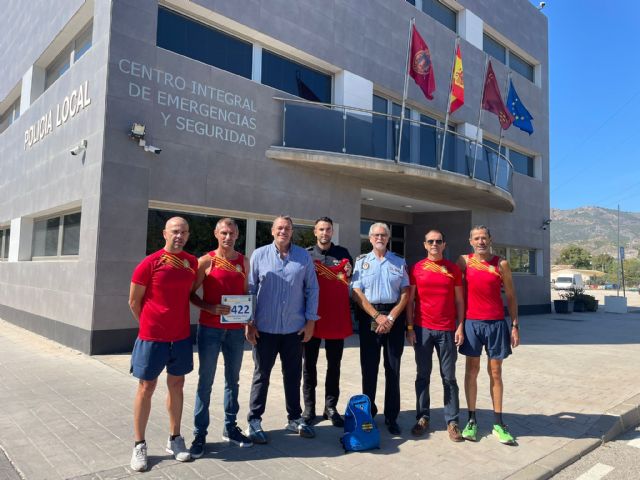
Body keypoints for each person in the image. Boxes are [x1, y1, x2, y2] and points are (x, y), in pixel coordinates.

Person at [128, 217, 197, 472]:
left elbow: (190, 294)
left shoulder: (191, 262)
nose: (179, 236)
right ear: (165, 234)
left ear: (188, 235)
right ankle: (139, 445)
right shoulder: (149, 263)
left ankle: (175, 439)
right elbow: (133, 302)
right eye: (175, 231)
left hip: (180, 338)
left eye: (183, 232)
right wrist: (150, 325)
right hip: (152, 339)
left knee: (177, 385)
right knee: (146, 388)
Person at [245, 216, 320, 443]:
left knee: (293, 375)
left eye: (287, 228)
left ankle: (294, 418)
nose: (283, 231)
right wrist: (248, 323)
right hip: (264, 329)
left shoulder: (303, 256)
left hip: (293, 330)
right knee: (261, 375)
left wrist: (310, 321)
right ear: (272, 231)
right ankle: (254, 420)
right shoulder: (259, 255)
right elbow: (250, 290)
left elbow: (312, 289)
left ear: (292, 231)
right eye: (279, 228)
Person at [189, 218, 253, 458]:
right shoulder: (205, 261)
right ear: (216, 233)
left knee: (232, 380)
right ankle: (199, 434)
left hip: (235, 332)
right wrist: (209, 307)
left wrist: (248, 324)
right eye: (224, 233)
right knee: (205, 382)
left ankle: (230, 426)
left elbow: (246, 295)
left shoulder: (243, 262)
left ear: (237, 235)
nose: (228, 237)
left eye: (232, 233)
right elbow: (191, 295)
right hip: (209, 330)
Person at [457, 225, 520, 445]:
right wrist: (459, 324)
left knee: (495, 373)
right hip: (472, 324)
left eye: (484, 238)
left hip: (495, 324)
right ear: (470, 241)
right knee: (471, 371)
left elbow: (511, 296)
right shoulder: (463, 261)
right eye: (477, 238)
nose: (481, 241)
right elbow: (457, 294)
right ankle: (471, 420)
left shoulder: (501, 263)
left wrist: (514, 325)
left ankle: (498, 423)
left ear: (490, 239)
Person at [406, 230, 465, 442]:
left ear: (444, 244)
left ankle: (452, 421)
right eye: (430, 241)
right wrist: (410, 328)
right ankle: (423, 417)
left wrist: (460, 327)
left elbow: (459, 301)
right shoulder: (417, 268)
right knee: (422, 375)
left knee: (449, 377)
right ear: (424, 244)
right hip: (422, 330)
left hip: (447, 330)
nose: (434, 244)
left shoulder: (453, 269)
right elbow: (410, 300)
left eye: (438, 241)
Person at [351, 222, 409, 436]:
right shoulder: (361, 262)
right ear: (370, 237)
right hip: (370, 317)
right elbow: (356, 292)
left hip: (394, 317)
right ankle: (369, 415)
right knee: (369, 369)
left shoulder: (399, 261)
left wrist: (391, 317)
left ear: (388, 237)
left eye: (383, 235)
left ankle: (391, 417)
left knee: (393, 369)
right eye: (376, 234)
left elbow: (405, 292)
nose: (380, 238)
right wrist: (376, 316)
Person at [303, 217, 353, 427]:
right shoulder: (306, 255)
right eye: (321, 229)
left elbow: (352, 279)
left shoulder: (343, 254)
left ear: (332, 232)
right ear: (315, 232)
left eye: (328, 229)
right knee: (309, 366)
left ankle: (330, 407)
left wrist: (350, 272)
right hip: (312, 318)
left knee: (334, 365)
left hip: (336, 317)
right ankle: (309, 408)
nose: (325, 233)